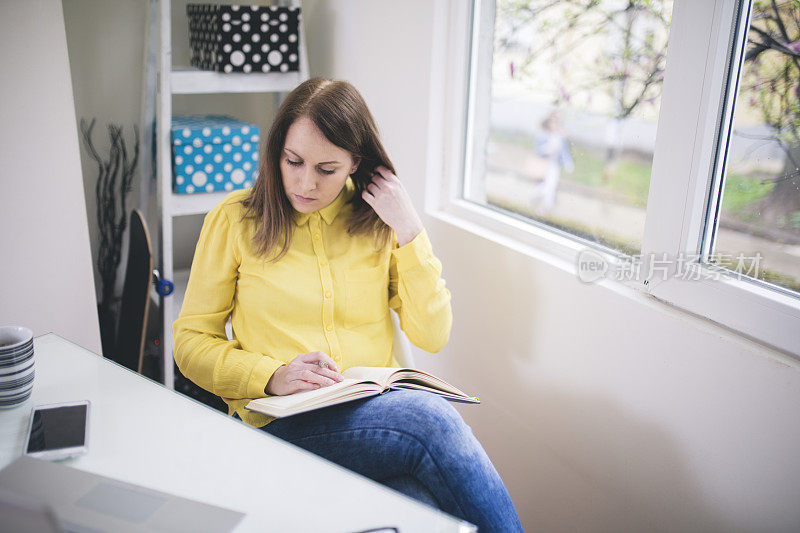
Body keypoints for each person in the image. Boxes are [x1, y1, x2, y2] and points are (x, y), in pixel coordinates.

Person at [173, 78, 524, 532]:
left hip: (376, 418)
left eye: (327, 169)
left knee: (420, 509)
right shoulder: (235, 220)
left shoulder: (376, 222)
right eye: (293, 161)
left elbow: (432, 334)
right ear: (277, 151)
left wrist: (410, 231)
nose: (305, 183)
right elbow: (189, 343)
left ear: (355, 163)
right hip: (283, 425)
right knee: (433, 421)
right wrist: (271, 376)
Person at [530, 109, 573, 215]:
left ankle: (545, 207)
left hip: (554, 165)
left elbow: (564, 151)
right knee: (547, 186)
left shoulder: (559, 136)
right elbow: (538, 150)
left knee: (551, 185)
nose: (555, 124)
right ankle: (539, 201)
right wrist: (547, 149)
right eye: (553, 121)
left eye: (557, 122)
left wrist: (568, 163)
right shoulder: (543, 135)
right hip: (544, 163)